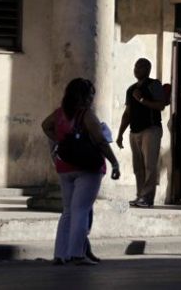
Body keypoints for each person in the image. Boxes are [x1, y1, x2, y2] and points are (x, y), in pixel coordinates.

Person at [42, 78, 120, 265]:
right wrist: (114, 162)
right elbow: (101, 141)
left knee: (68, 211)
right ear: (85, 96)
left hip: (65, 167)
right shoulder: (86, 115)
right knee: (81, 210)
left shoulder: (59, 114)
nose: (92, 98)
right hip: (88, 168)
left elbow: (45, 126)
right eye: (91, 95)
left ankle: (60, 254)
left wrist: (61, 140)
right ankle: (77, 254)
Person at [116, 58, 167, 208]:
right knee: (138, 166)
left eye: (141, 67)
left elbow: (161, 105)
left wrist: (143, 100)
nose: (137, 69)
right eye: (136, 66)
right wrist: (120, 134)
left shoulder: (154, 84)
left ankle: (147, 198)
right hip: (134, 131)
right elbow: (127, 113)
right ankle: (140, 195)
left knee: (150, 165)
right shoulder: (131, 89)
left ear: (148, 69)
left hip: (151, 129)